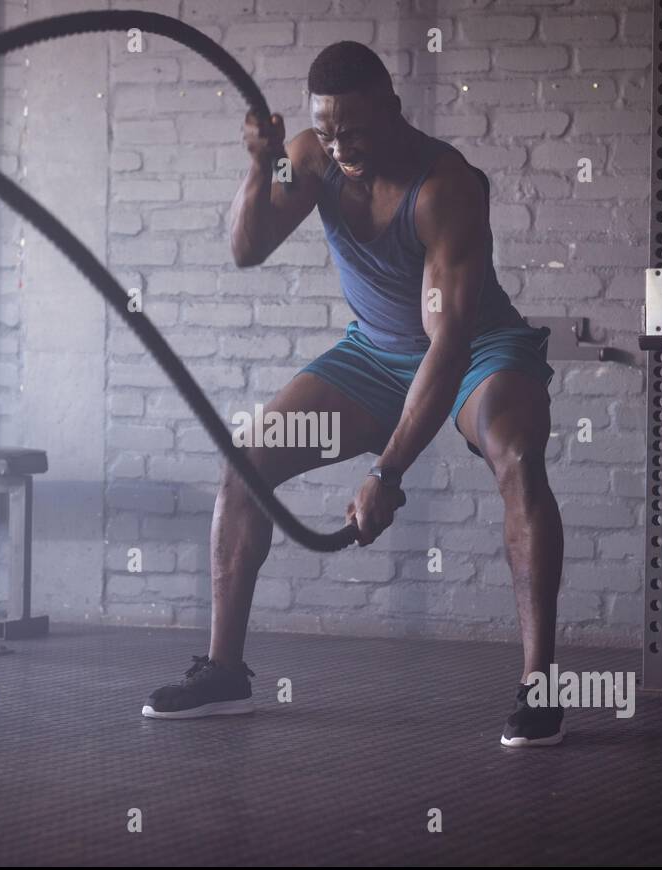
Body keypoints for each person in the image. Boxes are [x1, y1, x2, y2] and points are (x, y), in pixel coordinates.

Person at [143, 41, 565, 747]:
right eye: (328, 131)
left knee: (517, 455)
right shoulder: (311, 157)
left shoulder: (446, 188)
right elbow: (247, 248)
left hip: (473, 350)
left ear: (394, 110)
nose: (341, 147)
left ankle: (540, 684)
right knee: (248, 458)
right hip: (372, 352)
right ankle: (223, 672)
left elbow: (449, 342)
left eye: (356, 132)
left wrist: (386, 471)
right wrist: (260, 163)